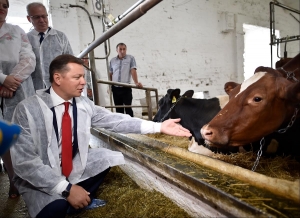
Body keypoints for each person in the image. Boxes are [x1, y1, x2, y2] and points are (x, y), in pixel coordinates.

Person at [10, 54, 191, 218]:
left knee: (106, 157)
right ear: (57, 78)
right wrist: (66, 189)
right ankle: (67, 198)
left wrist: (158, 126)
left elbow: (114, 120)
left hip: (68, 166)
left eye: (83, 77)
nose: (83, 82)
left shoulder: (82, 104)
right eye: (77, 77)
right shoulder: (28, 109)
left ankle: (76, 201)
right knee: (55, 209)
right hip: (41, 174)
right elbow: (25, 162)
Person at [0, 0, 36, 199]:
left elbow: (29, 58)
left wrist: (11, 81)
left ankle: (27, 178)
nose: (2, 8)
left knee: (20, 135)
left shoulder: (15, 30)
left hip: (16, 89)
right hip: (8, 84)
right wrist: (3, 79)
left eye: (5, 5)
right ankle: (13, 180)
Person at [26, 2, 73, 90]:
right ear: (29, 19)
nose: (41, 20)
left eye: (44, 16)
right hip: (34, 87)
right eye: (37, 17)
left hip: (58, 86)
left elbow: (70, 61)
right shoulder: (25, 39)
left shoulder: (60, 36)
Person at [109, 43, 142, 117]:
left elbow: (133, 70)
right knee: (118, 109)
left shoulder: (130, 58)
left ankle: (131, 125)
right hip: (116, 88)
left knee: (128, 108)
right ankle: (120, 126)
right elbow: (111, 73)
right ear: (117, 50)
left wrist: (136, 82)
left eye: (124, 49)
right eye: (120, 49)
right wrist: (110, 85)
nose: (122, 51)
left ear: (126, 50)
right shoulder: (112, 61)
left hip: (126, 87)